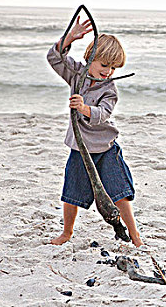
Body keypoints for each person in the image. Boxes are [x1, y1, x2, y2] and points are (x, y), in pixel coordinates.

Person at [47, 16, 143, 247]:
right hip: (80, 148)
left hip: (105, 148)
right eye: (104, 65)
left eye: (113, 67)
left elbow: (102, 114)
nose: (108, 71)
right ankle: (67, 232)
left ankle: (135, 235)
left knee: (119, 192)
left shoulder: (109, 88)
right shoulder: (76, 74)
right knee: (71, 193)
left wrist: (84, 108)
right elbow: (54, 58)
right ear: (90, 58)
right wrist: (70, 37)